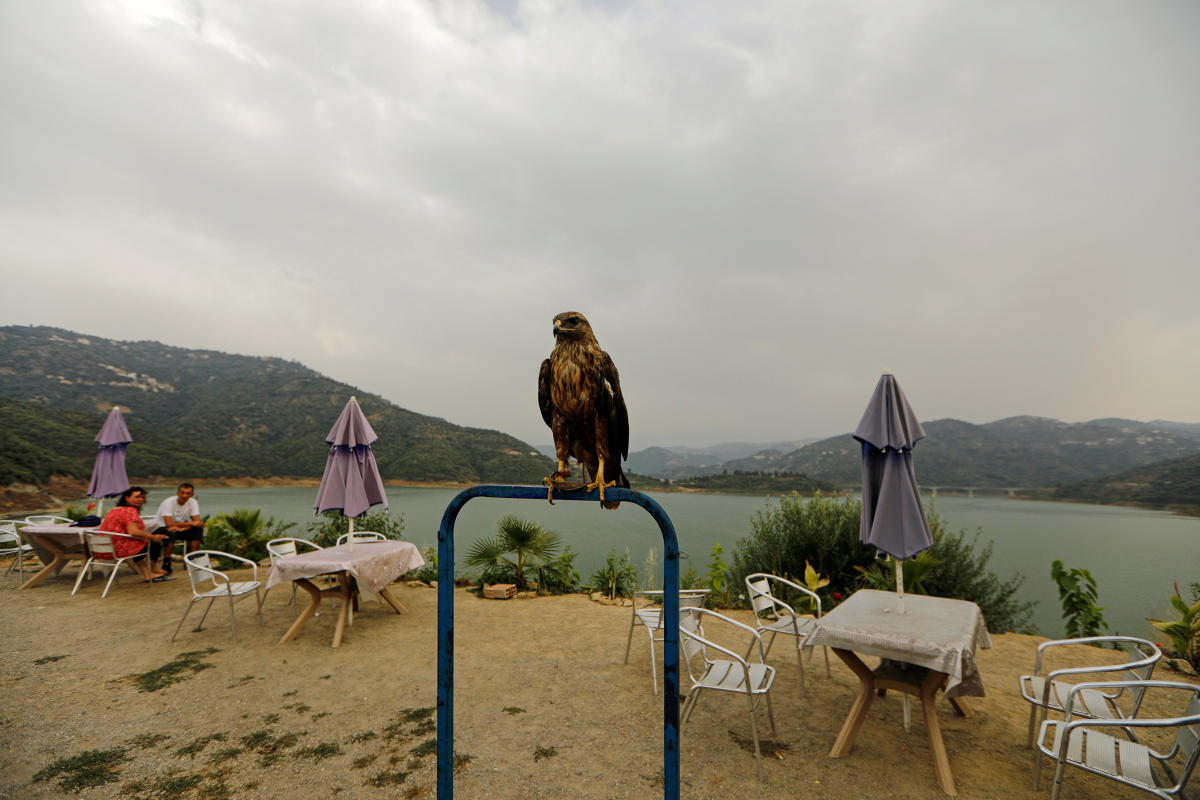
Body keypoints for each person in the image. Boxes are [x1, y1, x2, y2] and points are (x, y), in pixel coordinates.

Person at [96, 486, 169, 582]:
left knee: (138, 543)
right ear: (127, 498)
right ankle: (152, 570)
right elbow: (133, 531)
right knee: (154, 544)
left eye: (142, 497)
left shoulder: (114, 510)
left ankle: (148, 573)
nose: (140, 499)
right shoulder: (130, 511)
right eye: (137, 497)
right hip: (117, 550)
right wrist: (153, 536)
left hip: (101, 549)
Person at [152, 483, 205, 574]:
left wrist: (183, 528)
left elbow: (198, 523)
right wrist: (191, 523)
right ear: (178, 493)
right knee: (170, 532)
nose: (184, 496)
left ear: (191, 495)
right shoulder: (168, 503)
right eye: (182, 493)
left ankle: (190, 560)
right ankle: (166, 563)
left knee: (198, 530)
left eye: (188, 493)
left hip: (179, 528)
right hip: (161, 527)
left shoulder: (193, 502)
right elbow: (168, 523)